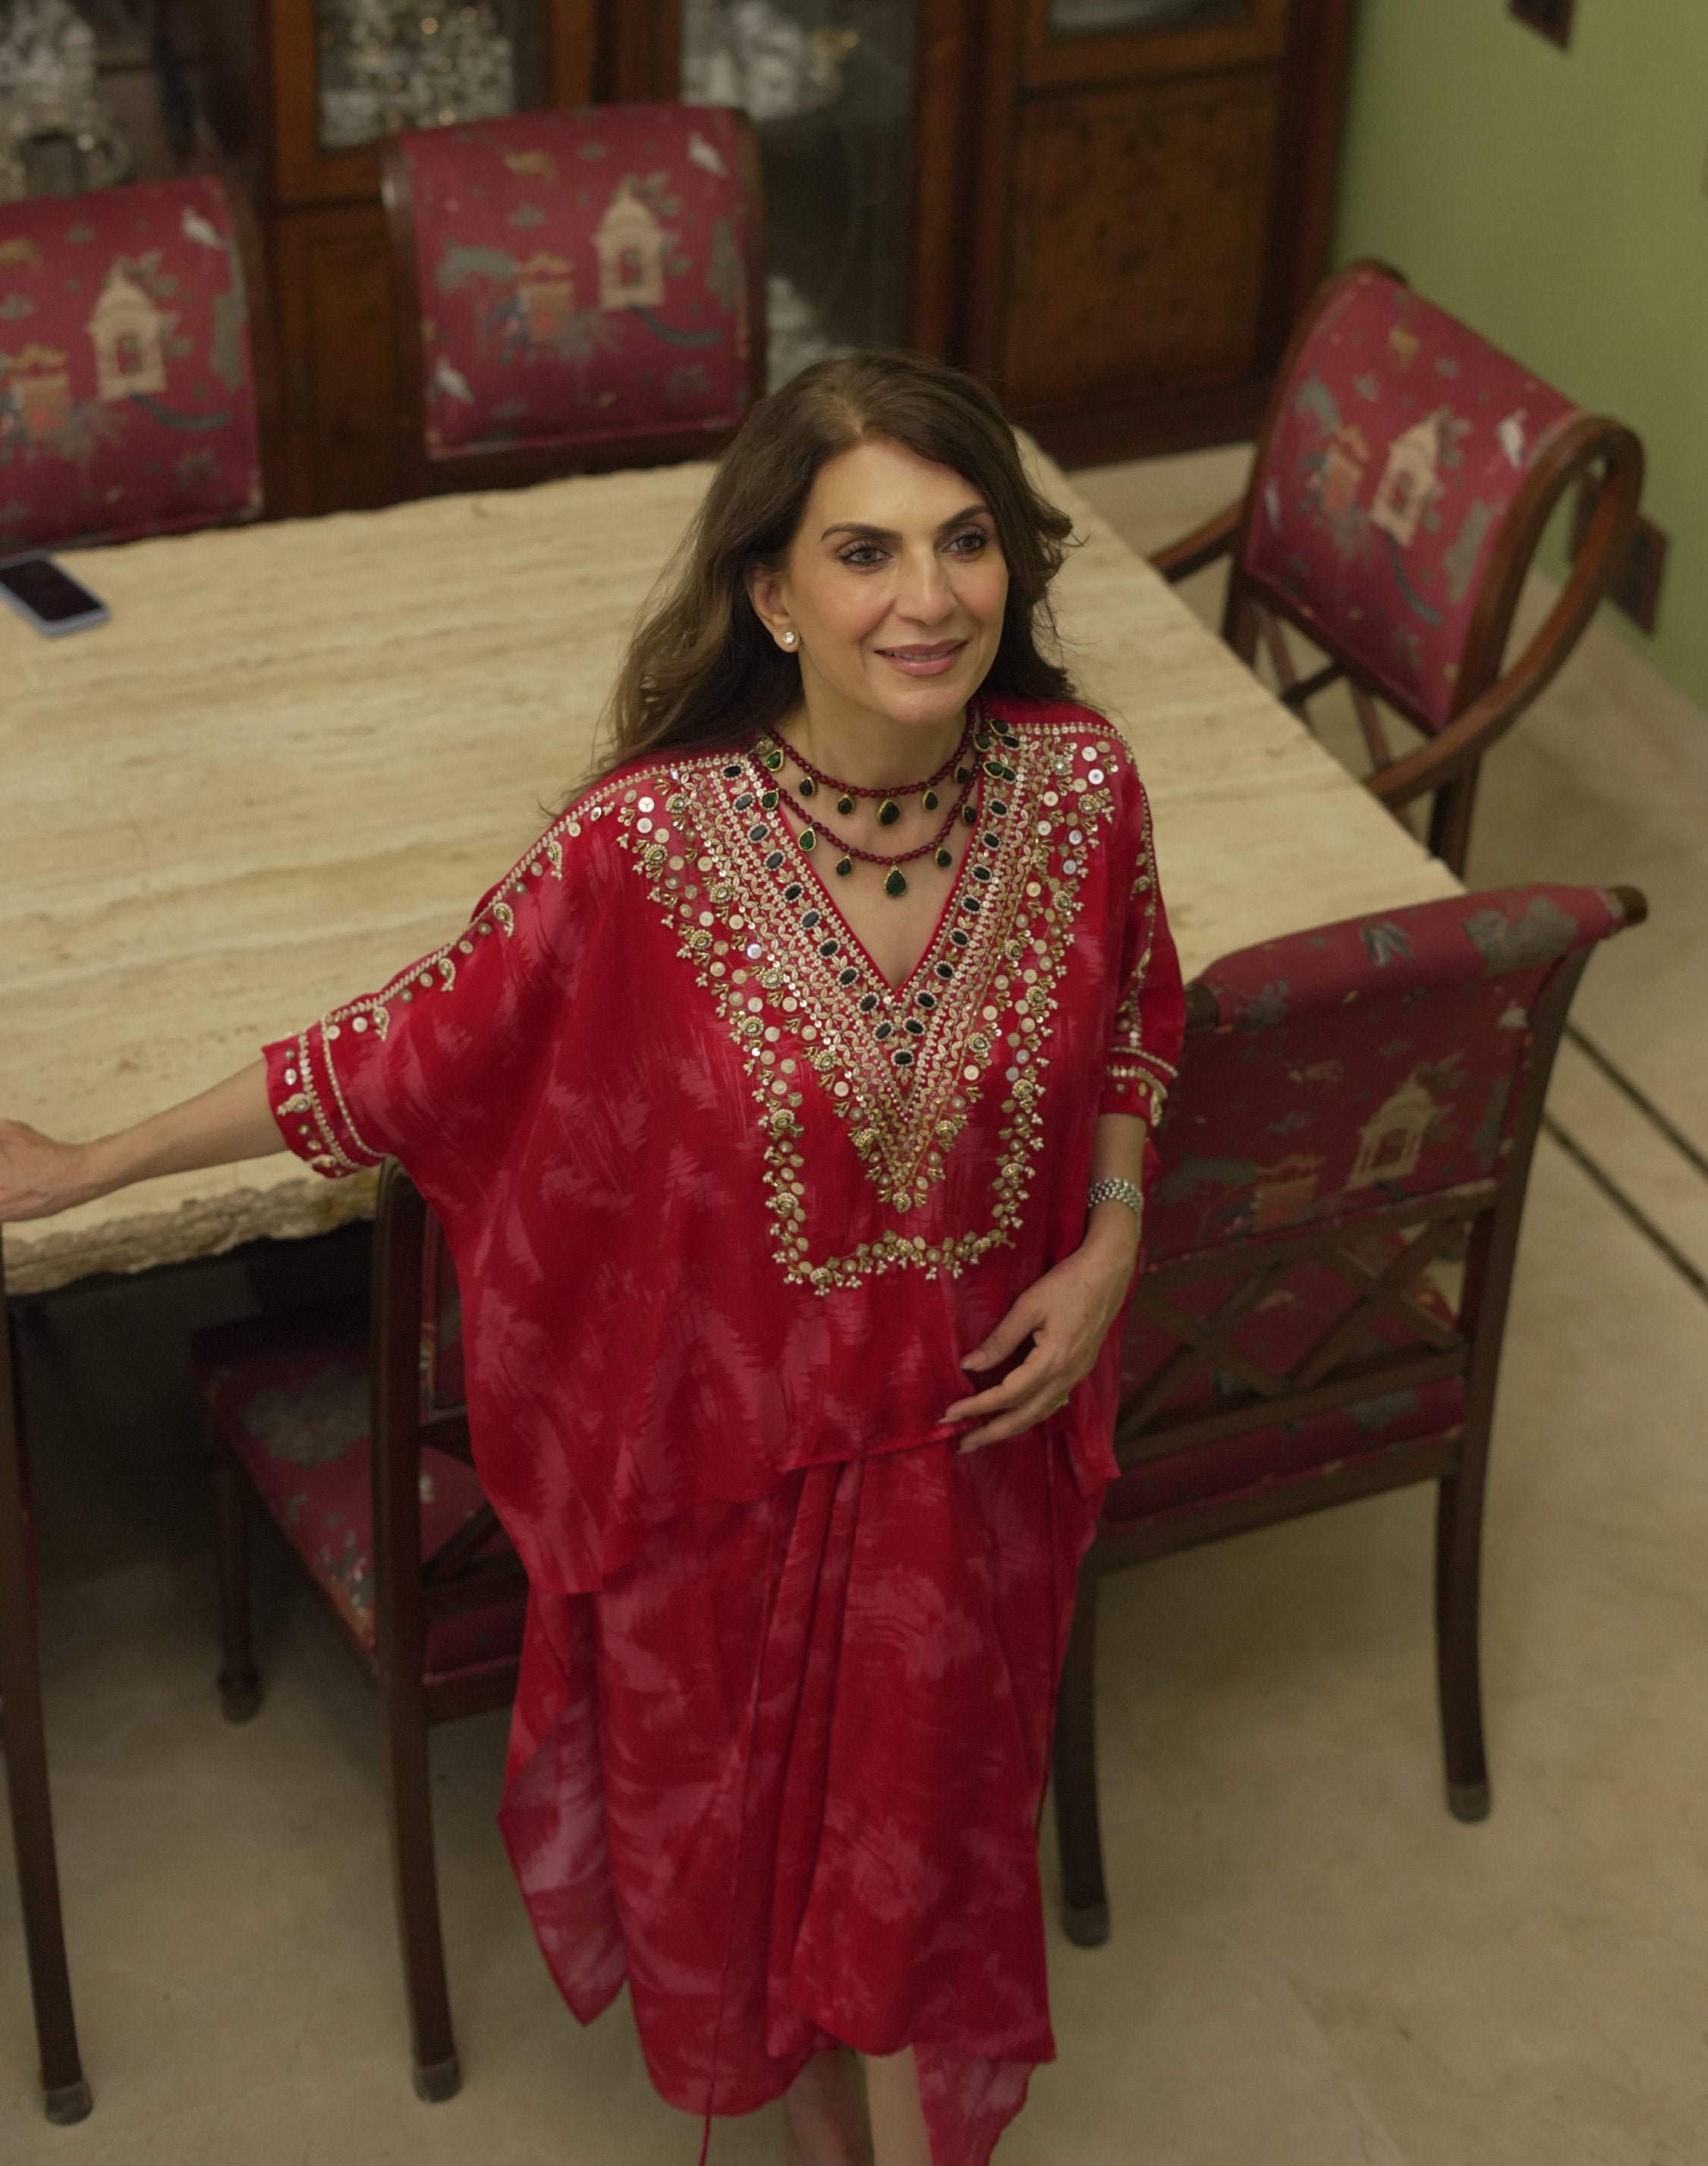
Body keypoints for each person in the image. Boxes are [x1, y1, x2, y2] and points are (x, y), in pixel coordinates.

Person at [0, 350, 1184, 2166]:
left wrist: (1107, 1236)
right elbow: (410, 1051)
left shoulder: (1077, 787)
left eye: (964, 541)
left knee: (921, 1889)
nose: (929, 597)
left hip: (974, 1468)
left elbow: (1136, 1018)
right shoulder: (645, 848)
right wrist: (99, 1160)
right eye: (863, 552)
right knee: (776, 1907)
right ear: (771, 597)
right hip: (728, 1492)